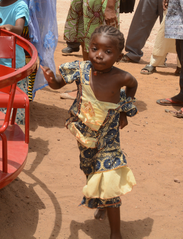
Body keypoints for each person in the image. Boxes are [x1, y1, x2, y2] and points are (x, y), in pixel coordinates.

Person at [41, 25, 138, 239]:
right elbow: (59, 84)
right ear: (88, 48)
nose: (99, 55)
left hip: (109, 139)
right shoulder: (80, 69)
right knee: (91, 171)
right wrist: (51, 80)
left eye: (107, 52)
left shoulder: (121, 77)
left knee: (109, 177)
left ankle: (116, 233)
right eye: (94, 48)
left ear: (118, 56)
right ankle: (102, 202)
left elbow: (133, 85)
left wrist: (124, 110)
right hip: (85, 136)